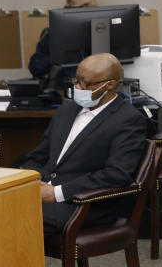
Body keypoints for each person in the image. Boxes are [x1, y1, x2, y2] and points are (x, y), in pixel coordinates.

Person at [21, 53, 146, 236]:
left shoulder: (128, 120)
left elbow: (116, 174)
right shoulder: (67, 109)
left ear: (109, 84)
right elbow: (38, 156)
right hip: (42, 193)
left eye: (85, 83)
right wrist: (33, 181)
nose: (78, 87)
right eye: (76, 80)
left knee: (13, 218)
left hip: (83, 204)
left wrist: (56, 193)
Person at [28, 0, 99, 81]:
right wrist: (55, 59)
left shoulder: (101, 34)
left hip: (93, 84)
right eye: (70, 9)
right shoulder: (52, 33)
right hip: (62, 86)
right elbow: (35, 67)